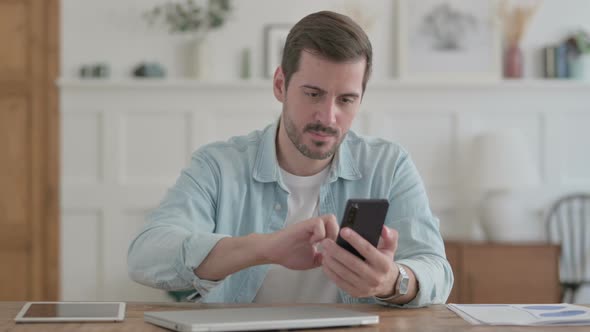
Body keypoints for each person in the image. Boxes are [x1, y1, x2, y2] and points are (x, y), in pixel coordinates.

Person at [128, 10, 453, 307]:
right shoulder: (218, 165)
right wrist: (265, 248)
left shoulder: (389, 165)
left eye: (346, 100)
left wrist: (392, 281)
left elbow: (436, 269)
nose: (328, 117)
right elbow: (146, 255)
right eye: (313, 94)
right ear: (281, 85)